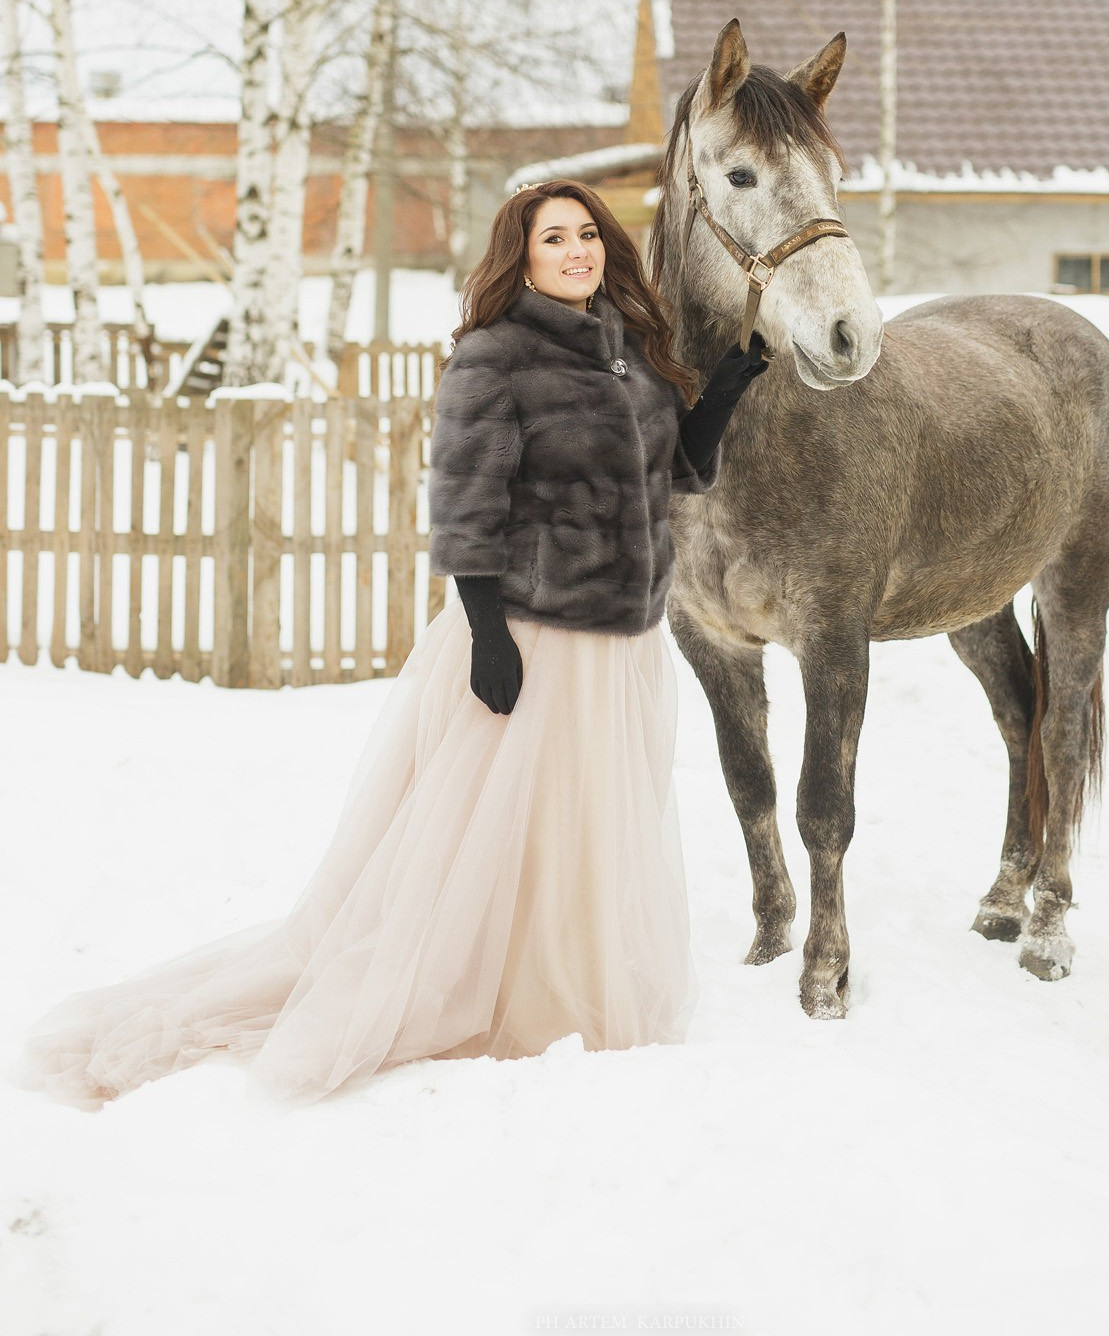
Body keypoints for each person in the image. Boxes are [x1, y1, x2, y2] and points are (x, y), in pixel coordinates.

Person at [9, 178, 769, 1109]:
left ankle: (567, 983)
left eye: (588, 235)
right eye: (554, 239)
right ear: (521, 258)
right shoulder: (494, 357)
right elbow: (465, 508)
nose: (578, 252)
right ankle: (485, 993)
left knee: (590, 830)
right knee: (504, 833)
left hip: (624, 642)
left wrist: (721, 392)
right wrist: (487, 636)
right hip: (537, 636)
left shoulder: (629, 351)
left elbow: (672, 474)